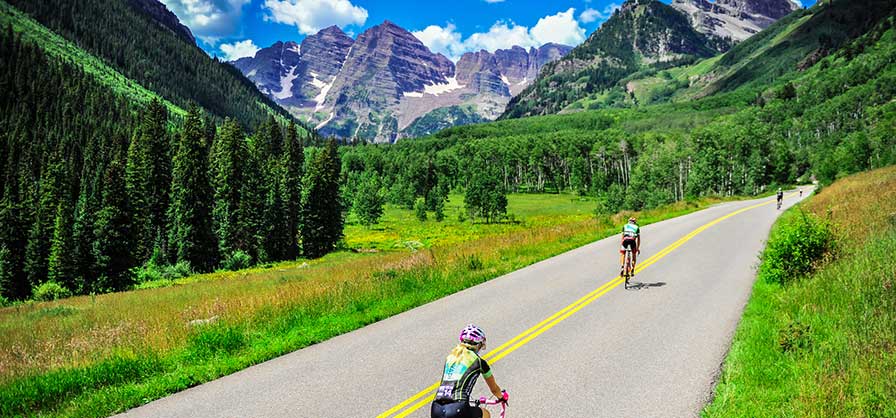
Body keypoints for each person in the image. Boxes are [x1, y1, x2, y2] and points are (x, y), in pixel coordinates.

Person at [432, 325, 508, 418]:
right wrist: (502, 397)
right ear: (478, 345)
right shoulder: (479, 361)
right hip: (458, 409)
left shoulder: (450, 358)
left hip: (436, 409)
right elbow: (494, 389)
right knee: (486, 414)